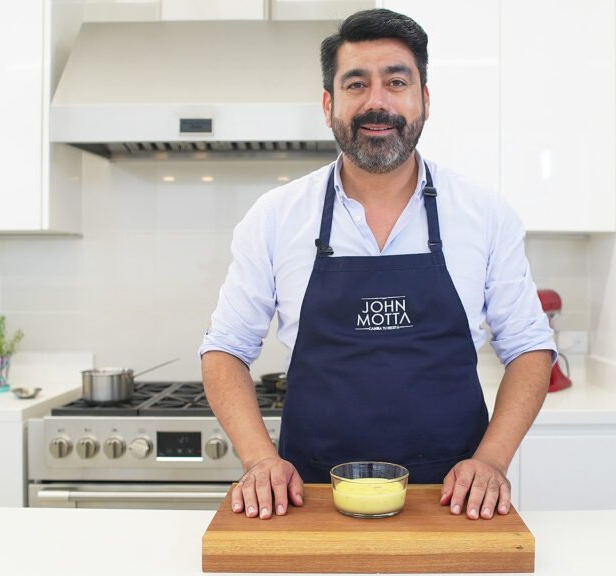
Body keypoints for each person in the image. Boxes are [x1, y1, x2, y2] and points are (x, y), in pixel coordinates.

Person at [199, 8, 555, 521]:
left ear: (424, 99)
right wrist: (259, 460)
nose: (377, 102)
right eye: (356, 84)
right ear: (329, 104)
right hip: (311, 497)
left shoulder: (484, 214)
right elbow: (225, 349)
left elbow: (529, 348)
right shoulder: (276, 217)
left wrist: (492, 462)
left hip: (454, 499)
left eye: (396, 82)